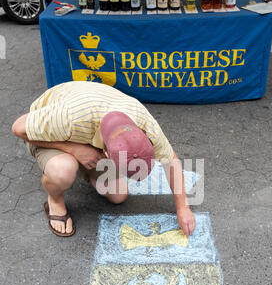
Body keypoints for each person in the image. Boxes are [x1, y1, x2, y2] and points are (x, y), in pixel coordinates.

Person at [12, 81, 196, 238]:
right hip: (56, 133)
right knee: (63, 170)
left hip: (89, 133)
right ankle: (55, 200)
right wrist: (73, 149)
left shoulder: (145, 125)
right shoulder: (68, 117)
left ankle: (86, 169)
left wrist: (183, 208)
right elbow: (18, 128)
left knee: (117, 195)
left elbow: (171, 161)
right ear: (107, 153)